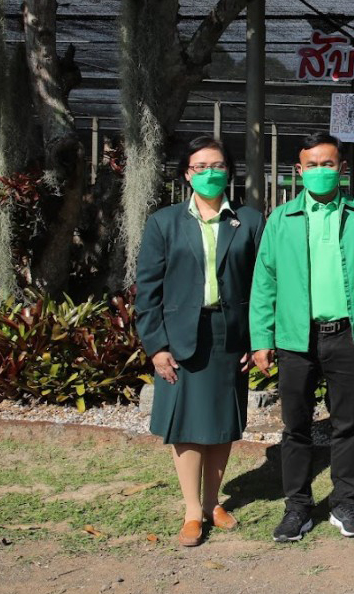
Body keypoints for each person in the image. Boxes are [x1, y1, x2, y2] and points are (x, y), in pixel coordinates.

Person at [249, 132, 354, 543]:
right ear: (300, 170)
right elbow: (265, 281)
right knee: (296, 426)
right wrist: (262, 337)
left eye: (329, 164)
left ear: (342, 169)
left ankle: (345, 504)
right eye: (313, 164)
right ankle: (297, 507)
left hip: (346, 335)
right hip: (295, 338)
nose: (321, 171)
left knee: (347, 423)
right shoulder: (281, 219)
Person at [136, 136, 265, 547]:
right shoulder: (164, 222)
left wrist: (257, 337)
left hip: (231, 335)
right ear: (186, 173)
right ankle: (193, 511)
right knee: (188, 427)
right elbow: (147, 289)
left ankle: (214, 503)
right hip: (181, 338)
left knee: (222, 422)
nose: (210, 173)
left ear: (229, 170)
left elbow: (262, 285)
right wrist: (156, 346)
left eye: (218, 165)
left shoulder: (249, 220)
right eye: (200, 166)